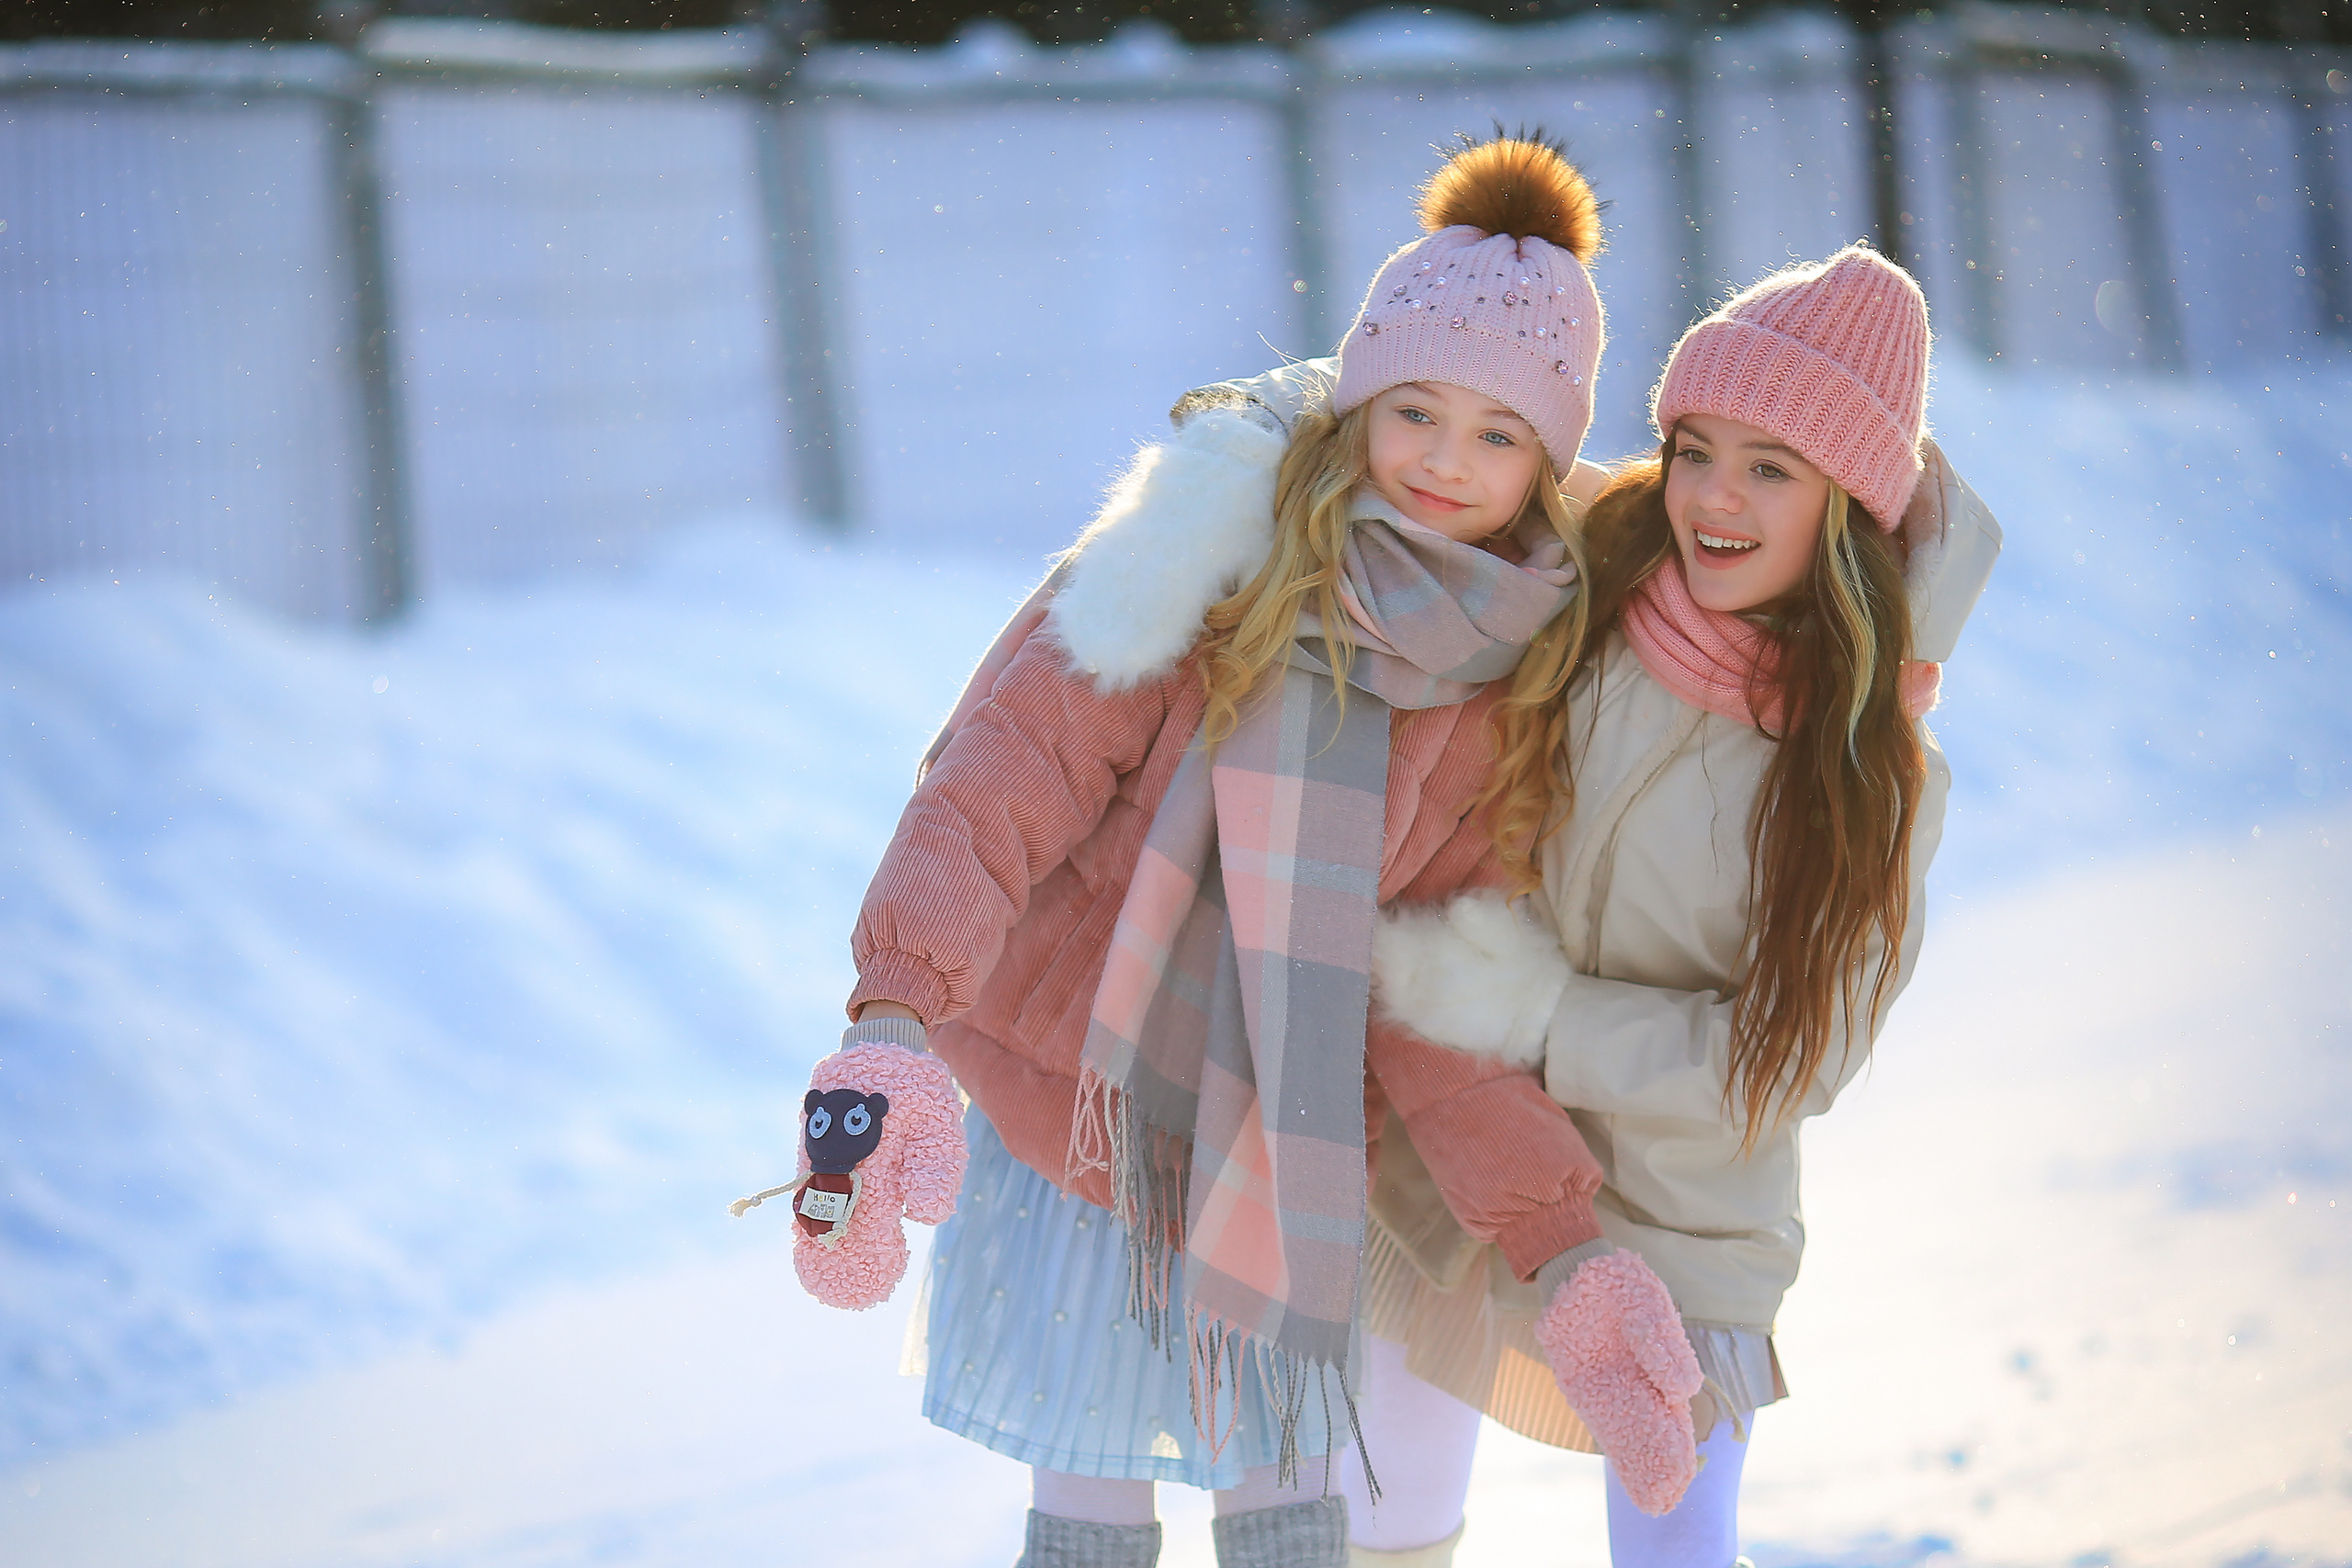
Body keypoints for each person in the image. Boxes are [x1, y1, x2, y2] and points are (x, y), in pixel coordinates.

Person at [787, 134, 1701, 1568]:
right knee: (1090, 1500)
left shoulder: (1501, 674)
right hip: (1080, 1105)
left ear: (1547, 460)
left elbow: (1435, 999)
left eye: (1498, 433)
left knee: (1287, 1515)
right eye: (1415, 410)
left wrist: (1563, 1247)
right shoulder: (1206, 552)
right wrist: (894, 1017)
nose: (1445, 463)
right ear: (1358, 398)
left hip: (1279, 1162)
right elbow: (998, 788)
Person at [1348, 246, 2004, 1567]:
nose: (1714, 495)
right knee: (1386, 1524)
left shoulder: (1870, 766)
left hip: (1686, 1223)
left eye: (1772, 467)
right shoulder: (1582, 593)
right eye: (1697, 446)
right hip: (1482, 1156)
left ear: (1852, 505)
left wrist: (1545, 1018)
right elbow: (1436, 472)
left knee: (1672, 1551)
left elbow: (1795, 1057)